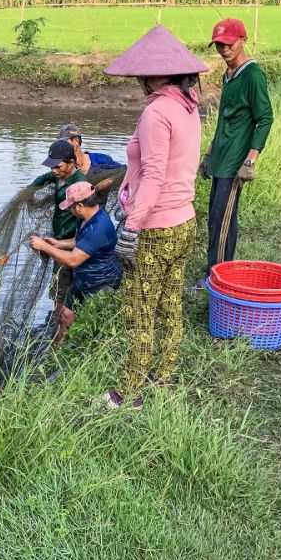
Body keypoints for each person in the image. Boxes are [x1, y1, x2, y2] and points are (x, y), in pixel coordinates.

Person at [103, 24, 208, 409]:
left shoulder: (157, 112)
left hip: (156, 226)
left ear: (150, 74)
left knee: (139, 311)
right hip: (184, 220)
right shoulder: (187, 105)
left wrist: (131, 226)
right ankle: (162, 377)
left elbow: (154, 174)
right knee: (169, 302)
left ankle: (128, 393)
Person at [200, 18, 274, 273]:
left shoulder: (253, 74)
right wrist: (209, 153)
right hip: (220, 158)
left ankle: (215, 275)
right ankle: (221, 271)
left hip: (234, 162)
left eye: (229, 44)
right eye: (219, 45)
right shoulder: (228, 75)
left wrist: (250, 160)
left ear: (243, 40)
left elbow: (264, 118)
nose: (224, 49)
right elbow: (224, 118)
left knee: (222, 220)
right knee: (216, 217)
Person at [29, 181, 123, 334]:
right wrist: (59, 244)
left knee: (88, 327)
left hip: (101, 283)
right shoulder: (86, 217)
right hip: (83, 279)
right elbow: (80, 241)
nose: (69, 210)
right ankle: (56, 351)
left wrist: (46, 247)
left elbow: (73, 260)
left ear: (79, 206)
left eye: (71, 206)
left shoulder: (99, 227)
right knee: (66, 315)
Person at [28, 139, 92, 343]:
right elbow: (44, 178)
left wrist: (54, 242)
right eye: (52, 166)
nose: (54, 170)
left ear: (71, 162)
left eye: (58, 166)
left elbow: (80, 223)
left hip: (70, 245)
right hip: (58, 242)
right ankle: (61, 329)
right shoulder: (58, 177)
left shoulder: (79, 185)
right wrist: (30, 189)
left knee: (62, 292)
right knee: (59, 292)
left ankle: (60, 339)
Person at [57, 122, 123, 176]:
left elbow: (125, 171)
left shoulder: (100, 159)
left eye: (65, 142)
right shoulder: (62, 167)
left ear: (76, 140)